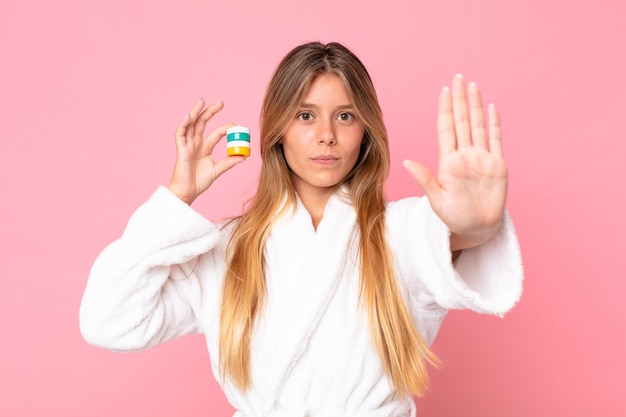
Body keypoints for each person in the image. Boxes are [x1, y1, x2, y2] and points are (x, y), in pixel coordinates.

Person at [80, 41, 523, 417]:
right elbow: (108, 322)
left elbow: (444, 235)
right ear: (277, 130)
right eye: (306, 116)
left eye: (345, 116)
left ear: (365, 132)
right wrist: (176, 201)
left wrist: (473, 226)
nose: (326, 135)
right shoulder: (227, 248)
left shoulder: (399, 232)